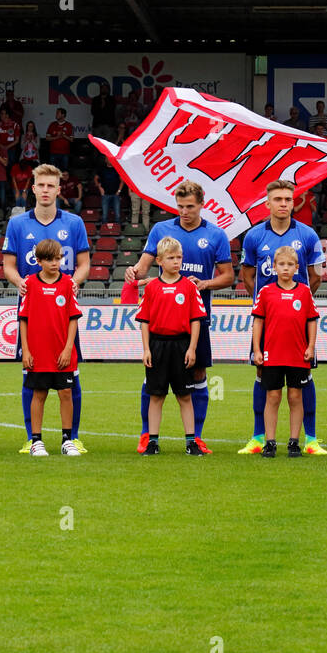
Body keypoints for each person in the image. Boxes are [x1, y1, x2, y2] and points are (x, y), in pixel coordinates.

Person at [124, 181, 234, 455]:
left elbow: (228, 277)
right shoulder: (162, 230)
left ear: (202, 204)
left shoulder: (216, 234)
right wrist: (133, 272)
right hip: (162, 323)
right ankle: (146, 435)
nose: (184, 211)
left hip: (196, 320)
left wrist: (205, 284)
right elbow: (144, 266)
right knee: (154, 381)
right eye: (180, 206)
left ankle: (195, 437)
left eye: (190, 206)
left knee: (197, 374)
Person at [2, 164, 91, 453]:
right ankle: (33, 438)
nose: (45, 190)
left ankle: (71, 437)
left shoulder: (74, 223)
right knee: (32, 374)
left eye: (51, 186)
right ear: (32, 187)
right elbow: (8, 266)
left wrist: (73, 283)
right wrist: (21, 283)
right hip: (33, 310)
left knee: (70, 375)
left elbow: (84, 263)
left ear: (59, 189)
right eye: (40, 185)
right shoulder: (17, 224)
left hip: (63, 310)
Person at [238, 179, 327, 456]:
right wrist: (270, 302)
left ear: (293, 203)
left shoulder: (308, 235)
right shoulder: (254, 236)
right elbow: (247, 275)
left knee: (303, 379)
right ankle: (258, 437)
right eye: (278, 199)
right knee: (262, 374)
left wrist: (297, 302)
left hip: (298, 323)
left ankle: (310, 439)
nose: (284, 204)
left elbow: (316, 276)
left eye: (288, 199)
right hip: (269, 320)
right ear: (267, 203)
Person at [135, 236, 208, 456]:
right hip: (157, 346)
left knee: (185, 396)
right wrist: (147, 349)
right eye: (171, 258)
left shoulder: (188, 287)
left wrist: (192, 348)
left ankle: (191, 441)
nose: (176, 262)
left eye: (179, 257)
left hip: (181, 345)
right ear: (159, 260)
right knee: (156, 395)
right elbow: (145, 321)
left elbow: (196, 320)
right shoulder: (151, 288)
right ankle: (153, 441)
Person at [250, 246, 318, 458]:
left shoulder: (304, 291)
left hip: (298, 354)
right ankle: (270, 442)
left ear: (297, 267)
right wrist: (257, 349)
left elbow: (312, 321)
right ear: (274, 267)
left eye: (290, 264)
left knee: (296, 397)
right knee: (272, 397)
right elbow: (258, 322)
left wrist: (311, 347)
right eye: (281, 264)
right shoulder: (266, 292)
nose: (286, 268)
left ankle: (294, 442)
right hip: (273, 354)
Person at [18, 238, 82, 457]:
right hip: (38, 353)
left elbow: (73, 318)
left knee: (66, 392)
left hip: (62, 352)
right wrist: (26, 350)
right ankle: (36, 440)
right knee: (39, 393)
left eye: (57, 259)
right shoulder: (30, 284)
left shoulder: (67, 283)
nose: (55, 263)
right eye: (49, 259)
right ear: (38, 261)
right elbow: (23, 319)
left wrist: (67, 349)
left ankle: (67, 439)